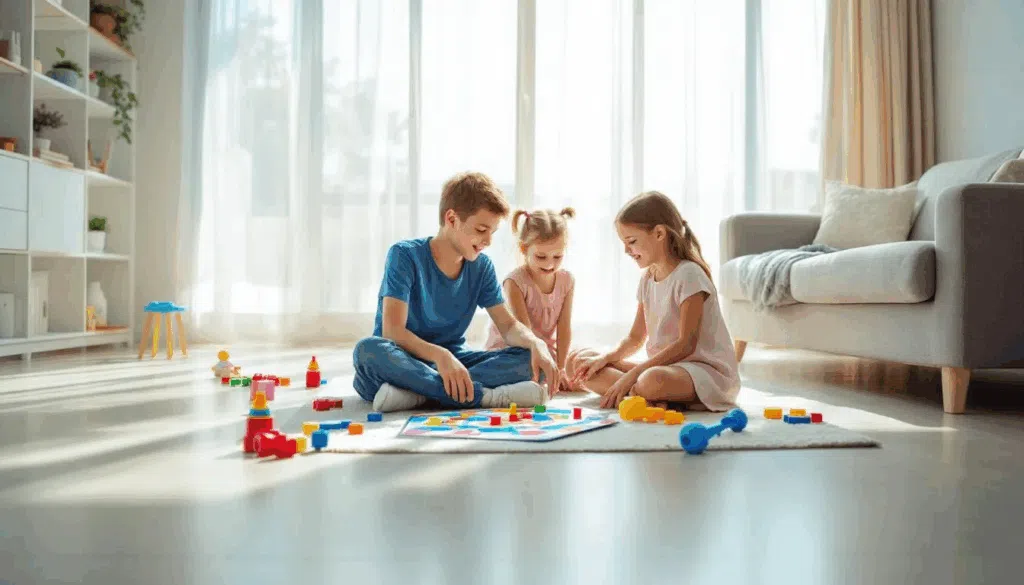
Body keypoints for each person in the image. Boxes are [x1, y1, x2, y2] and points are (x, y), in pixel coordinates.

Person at [352, 172, 560, 412]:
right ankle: (483, 396)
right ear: (451, 219)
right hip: (403, 358)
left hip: (454, 362)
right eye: (481, 230)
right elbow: (392, 331)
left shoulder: (482, 267)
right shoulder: (404, 256)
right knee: (367, 351)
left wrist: (536, 343)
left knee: (530, 361)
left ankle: (416, 394)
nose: (487, 241)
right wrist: (441, 358)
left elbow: (509, 327)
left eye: (492, 232)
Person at [566, 191, 740, 411]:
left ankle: (641, 394)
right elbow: (635, 337)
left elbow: (686, 344)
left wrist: (632, 375)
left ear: (659, 233)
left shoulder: (689, 274)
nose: (626, 250)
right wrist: (606, 358)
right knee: (579, 362)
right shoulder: (648, 278)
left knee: (650, 381)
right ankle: (644, 397)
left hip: (704, 373)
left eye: (631, 241)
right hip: (668, 368)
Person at [484, 208, 577, 394]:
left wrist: (561, 368)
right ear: (524, 249)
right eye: (541, 257)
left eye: (557, 257)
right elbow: (525, 333)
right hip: (516, 348)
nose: (549, 264)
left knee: (580, 363)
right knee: (524, 368)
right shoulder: (515, 281)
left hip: (544, 349)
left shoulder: (567, 280)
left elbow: (564, 329)